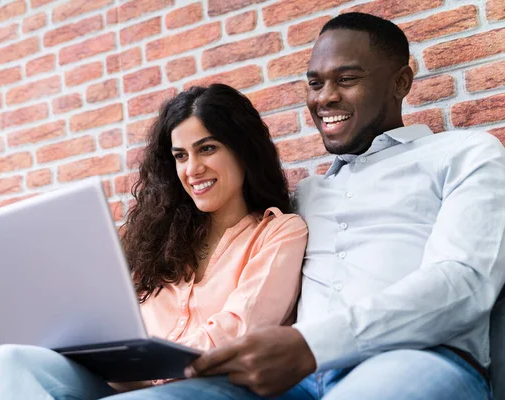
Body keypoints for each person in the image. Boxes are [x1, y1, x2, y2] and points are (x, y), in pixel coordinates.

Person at [108, 12, 505, 400]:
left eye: (347, 79)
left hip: (418, 358)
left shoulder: (465, 155)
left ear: (401, 81)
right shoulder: (304, 197)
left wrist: (310, 343)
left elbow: (463, 281)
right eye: (315, 83)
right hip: (295, 378)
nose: (326, 97)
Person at [0, 84, 308, 399]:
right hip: (124, 383)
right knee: (8, 358)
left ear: (243, 151)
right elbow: (111, 323)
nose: (192, 169)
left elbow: (238, 331)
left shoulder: (279, 232)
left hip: (210, 388)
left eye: (207, 149)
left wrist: (148, 372)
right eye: (181, 156)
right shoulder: (157, 241)